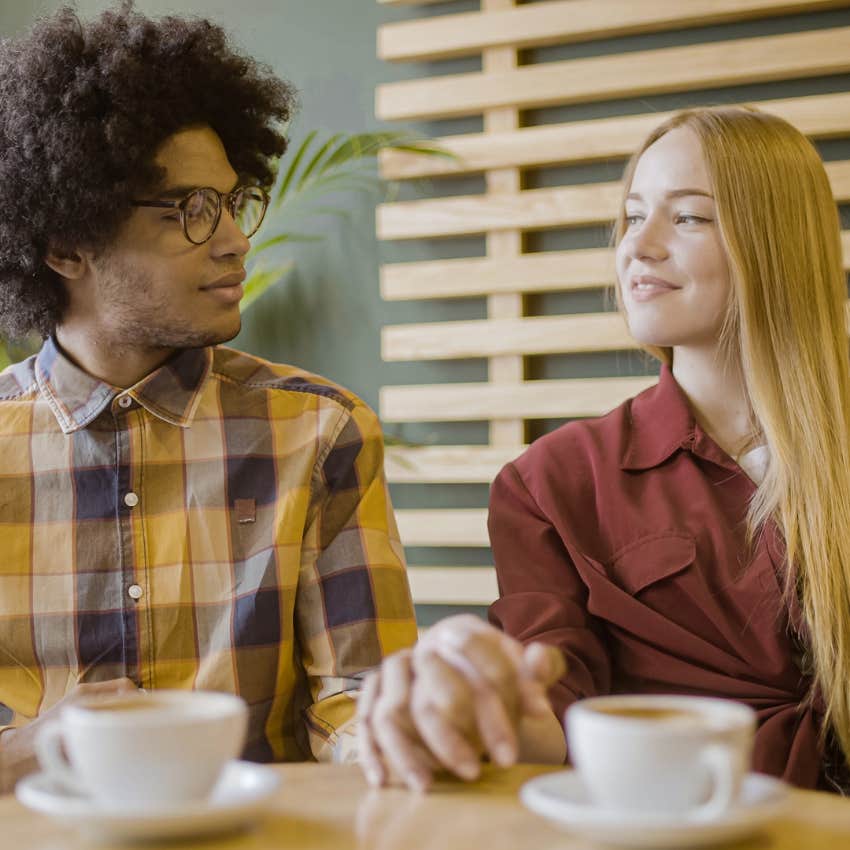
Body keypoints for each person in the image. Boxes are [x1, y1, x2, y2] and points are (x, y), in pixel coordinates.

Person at [358, 105, 850, 793]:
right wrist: (478, 705)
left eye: (688, 217)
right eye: (630, 216)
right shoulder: (548, 484)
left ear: (777, 240)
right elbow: (548, 710)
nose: (638, 245)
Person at [0, 3, 417, 792]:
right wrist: (20, 756)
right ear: (65, 243)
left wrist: (390, 743)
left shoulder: (321, 430)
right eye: (189, 211)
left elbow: (357, 697)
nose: (234, 239)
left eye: (231, 202)